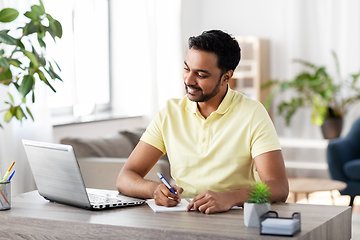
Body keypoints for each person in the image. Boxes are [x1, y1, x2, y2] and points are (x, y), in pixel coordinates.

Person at [117, 30, 289, 214]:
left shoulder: (253, 113)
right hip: (183, 217)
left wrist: (231, 198)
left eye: (201, 74)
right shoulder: (170, 113)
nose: (189, 80)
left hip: (234, 218)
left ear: (226, 77)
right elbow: (125, 177)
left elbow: (278, 186)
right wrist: (153, 190)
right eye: (186, 69)